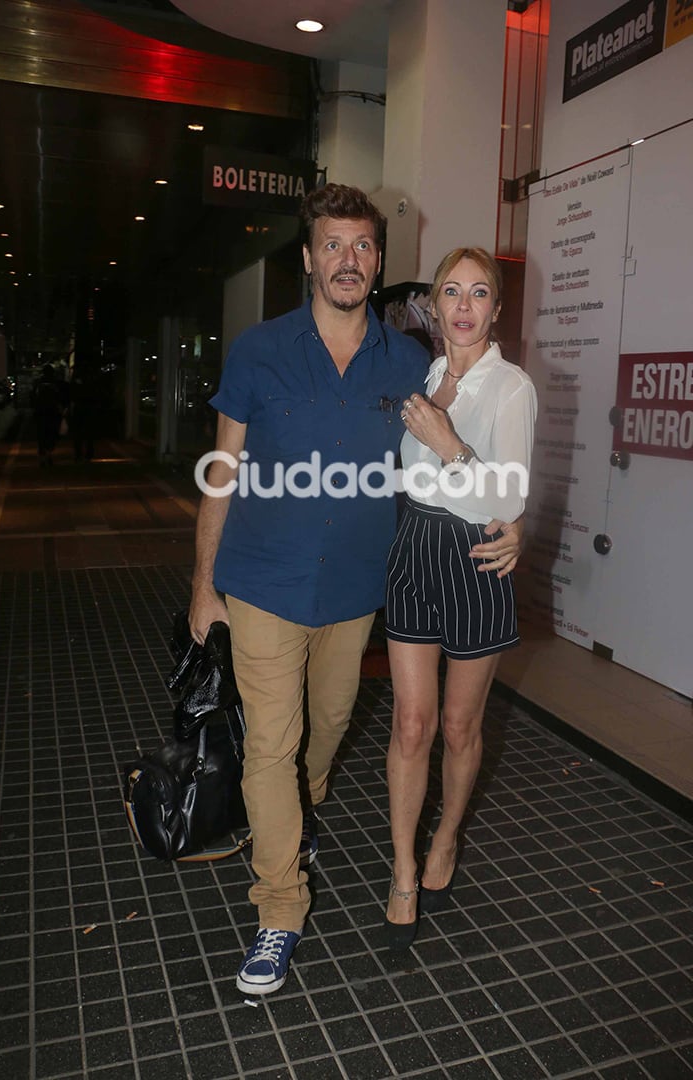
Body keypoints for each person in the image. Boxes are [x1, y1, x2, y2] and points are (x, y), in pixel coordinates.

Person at [188, 189, 522, 996]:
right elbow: (222, 470)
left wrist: (513, 524)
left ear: (377, 262)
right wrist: (201, 585)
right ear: (308, 258)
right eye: (332, 244)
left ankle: (292, 827)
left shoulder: (412, 363)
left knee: (325, 733)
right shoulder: (259, 350)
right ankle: (278, 910)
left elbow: (473, 458)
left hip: (355, 592)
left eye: (363, 246)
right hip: (263, 578)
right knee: (272, 744)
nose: (348, 259)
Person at [383, 246, 537, 950]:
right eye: (452, 291)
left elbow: (506, 498)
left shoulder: (512, 388)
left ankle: (447, 835)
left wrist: (450, 445)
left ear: (497, 309)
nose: (465, 306)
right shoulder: (425, 374)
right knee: (411, 725)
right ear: (434, 305)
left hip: (477, 558)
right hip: (415, 549)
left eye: (480, 293)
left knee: (458, 726)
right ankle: (405, 868)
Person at [31, 363, 66, 466]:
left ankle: (42, 456)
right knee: (52, 434)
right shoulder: (57, 383)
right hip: (53, 412)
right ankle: (49, 454)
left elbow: (32, 397)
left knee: (41, 435)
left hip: (40, 412)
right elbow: (61, 397)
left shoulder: (38, 383)